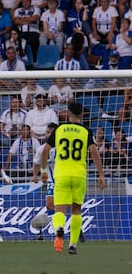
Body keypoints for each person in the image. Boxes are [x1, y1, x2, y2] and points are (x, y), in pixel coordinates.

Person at [41, 102, 105, 254]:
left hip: (61, 174)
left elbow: (45, 151)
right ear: (82, 114)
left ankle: (59, 229)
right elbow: (94, 152)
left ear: (67, 113)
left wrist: (44, 170)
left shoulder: (59, 129)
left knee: (60, 209)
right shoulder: (85, 131)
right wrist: (101, 174)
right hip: (79, 175)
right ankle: (73, 245)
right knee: (76, 210)